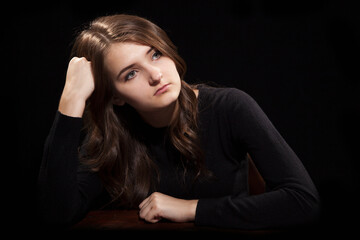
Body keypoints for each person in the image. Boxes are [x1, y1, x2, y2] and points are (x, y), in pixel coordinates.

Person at [37, 14, 320, 230]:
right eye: (130, 74)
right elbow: (57, 215)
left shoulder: (230, 107)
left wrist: (191, 209)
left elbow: (302, 200)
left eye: (155, 55)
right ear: (115, 97)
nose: (156, 75)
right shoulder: (111, 136)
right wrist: (71, 101)